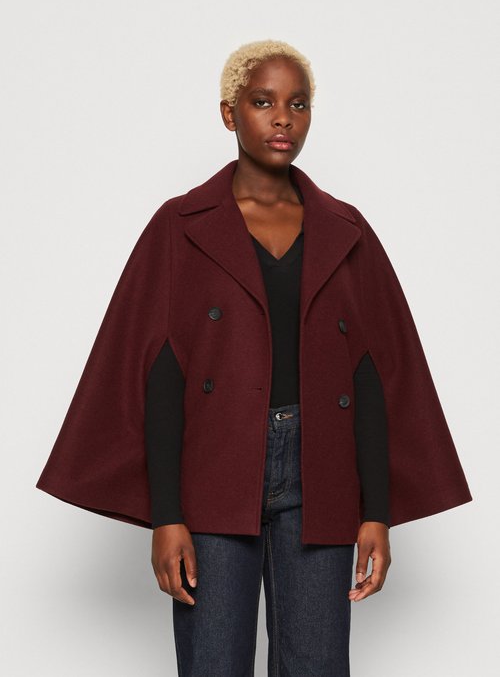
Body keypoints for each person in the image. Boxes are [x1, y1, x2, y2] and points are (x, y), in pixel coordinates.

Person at [36, 40, 472, 676]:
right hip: (214, 469)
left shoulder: (346, 229)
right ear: (228, 113)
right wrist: (167, 518)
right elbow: (161, 373)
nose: (283, 118)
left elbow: (372, 373)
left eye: (299, 104)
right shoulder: (181, 225)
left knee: (317, 665)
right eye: (263, 101)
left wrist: (376, 513)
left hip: (322, 472)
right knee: (213, 663)